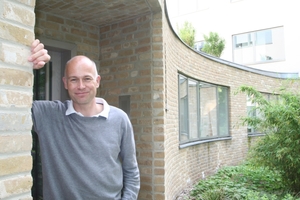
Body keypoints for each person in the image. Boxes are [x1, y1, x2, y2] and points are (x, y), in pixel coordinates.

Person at [28, 39, 140, 199]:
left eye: (87, 79)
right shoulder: (48, 115)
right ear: (65, 83)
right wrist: (23, 66)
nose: (81, 86)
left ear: (98, 81)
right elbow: (8, 103)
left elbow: (131, 170)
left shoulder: (119, 119)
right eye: (73, 79)